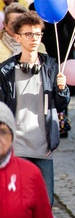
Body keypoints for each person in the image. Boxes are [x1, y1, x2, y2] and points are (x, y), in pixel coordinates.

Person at [0, 11, 68, 205]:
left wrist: (62, 90)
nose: (34, 39)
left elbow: (61, 104)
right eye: (29, 34)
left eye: (37, 34)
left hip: (43, 147)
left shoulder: (51, 66)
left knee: (46, 204)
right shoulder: (5, 71)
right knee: (16, 203)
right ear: (17, 37)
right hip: (17, 148)